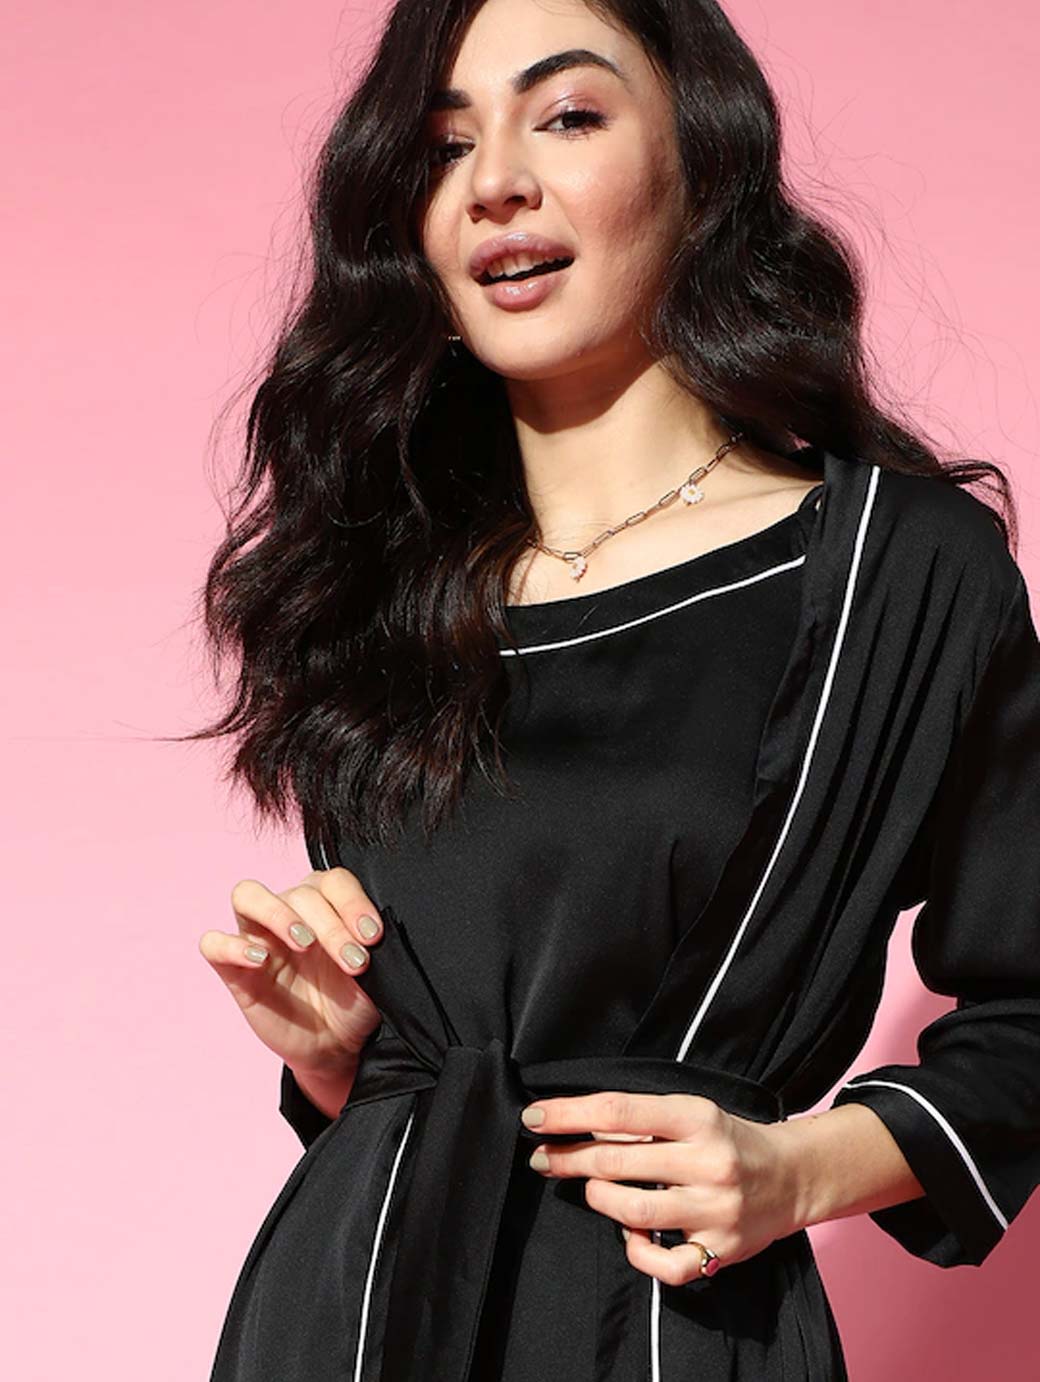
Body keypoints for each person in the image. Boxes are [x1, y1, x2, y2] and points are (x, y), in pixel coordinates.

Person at [193, 1, 1040, 1378]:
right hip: (349, 1316)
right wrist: (337, 1057)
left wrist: (799, 1168)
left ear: (702, 162)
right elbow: (432, 1057)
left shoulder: (899, 576)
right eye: (445, 145)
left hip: (668, 1321)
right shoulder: (370, 593)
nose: (495, 181)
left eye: (568, 115)